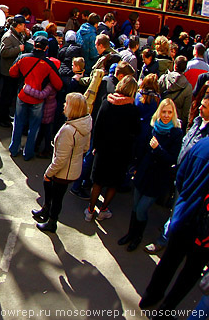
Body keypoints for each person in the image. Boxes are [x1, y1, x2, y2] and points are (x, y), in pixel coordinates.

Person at [140, 100, 209, 310]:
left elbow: (180, 176)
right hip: (208, 232)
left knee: (168, 263)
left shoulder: (203, 144)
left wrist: (186, 200)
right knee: (189, 274)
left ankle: (149, 298)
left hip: (184, 217)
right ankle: (165, 309)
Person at [119, 99, 182, 252]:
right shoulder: (152, 128)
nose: (166, 115)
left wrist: (158, 148)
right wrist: (135, 167)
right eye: (164, 111)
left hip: (157, 179)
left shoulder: (176, 133)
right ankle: (130, 234)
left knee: (142, 209)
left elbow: (172, 159)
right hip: (143, 173)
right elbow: (142, 150)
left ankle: (137, 237)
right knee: (135, 206)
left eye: (169, 112)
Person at [32, 92, 92, 233]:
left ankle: (51, 221)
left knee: (55, 194)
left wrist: (49, 172)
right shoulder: (85, 124)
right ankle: (46, 210)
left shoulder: (68, 130)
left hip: (63, 171)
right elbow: (86, 147)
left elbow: (61, 159)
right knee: (56, 193)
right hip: (74, 168)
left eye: (67, 103)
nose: (64, 106)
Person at [85, 76, 139, 222]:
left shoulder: (106, 103)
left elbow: (98, 126)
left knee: (97, 181)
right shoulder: (133, 109)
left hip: (103, 149)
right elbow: (135, 132)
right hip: (122, 152)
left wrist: (95, 146)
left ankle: (90, 210)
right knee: (113, 183)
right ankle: (103, 210)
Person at [9, 36, 63, 160]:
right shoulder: (48, 64)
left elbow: (12, 72)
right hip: (38, 98)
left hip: (23, 94)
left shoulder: (23, 58)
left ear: (34, 45)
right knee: (34, 127)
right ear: (46, 48)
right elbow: (58, 84)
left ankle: (14, 149)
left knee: (18, 123)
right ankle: (28, 153)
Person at [0, 15, 28, 127]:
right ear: (18, 25)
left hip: (14, 70)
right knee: (6, 95)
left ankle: (5, 115)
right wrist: (18, 49)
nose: (25, 27)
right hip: (8, 70)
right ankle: (0, 117)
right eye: (23, 24)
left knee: (10, 95)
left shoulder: (18, 35)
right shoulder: (8, 37)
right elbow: (4, 52)